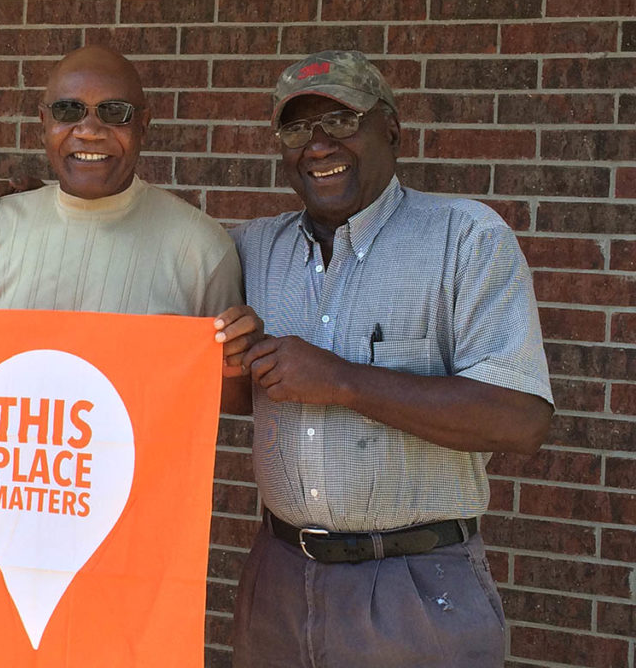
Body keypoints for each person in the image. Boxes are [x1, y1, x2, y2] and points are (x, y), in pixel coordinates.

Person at [230, 50, 554, 667]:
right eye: (297, 128)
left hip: (415, 587)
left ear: (392, 130)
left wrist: (343, 382)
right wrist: (35, 203)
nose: (318, 145)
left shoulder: (465, 238)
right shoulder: (252, 249)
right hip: (278, 580)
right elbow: (141, 241)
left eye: (342, 121)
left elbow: (521, 420)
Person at [0, 45, 257, 377]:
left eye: (115, 112)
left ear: (144, 124)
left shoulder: (202, 248)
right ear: (43, 122)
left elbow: (232, 395)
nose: (89, 130)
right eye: (68, 111)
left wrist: (239, 358)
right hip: (15, 475)